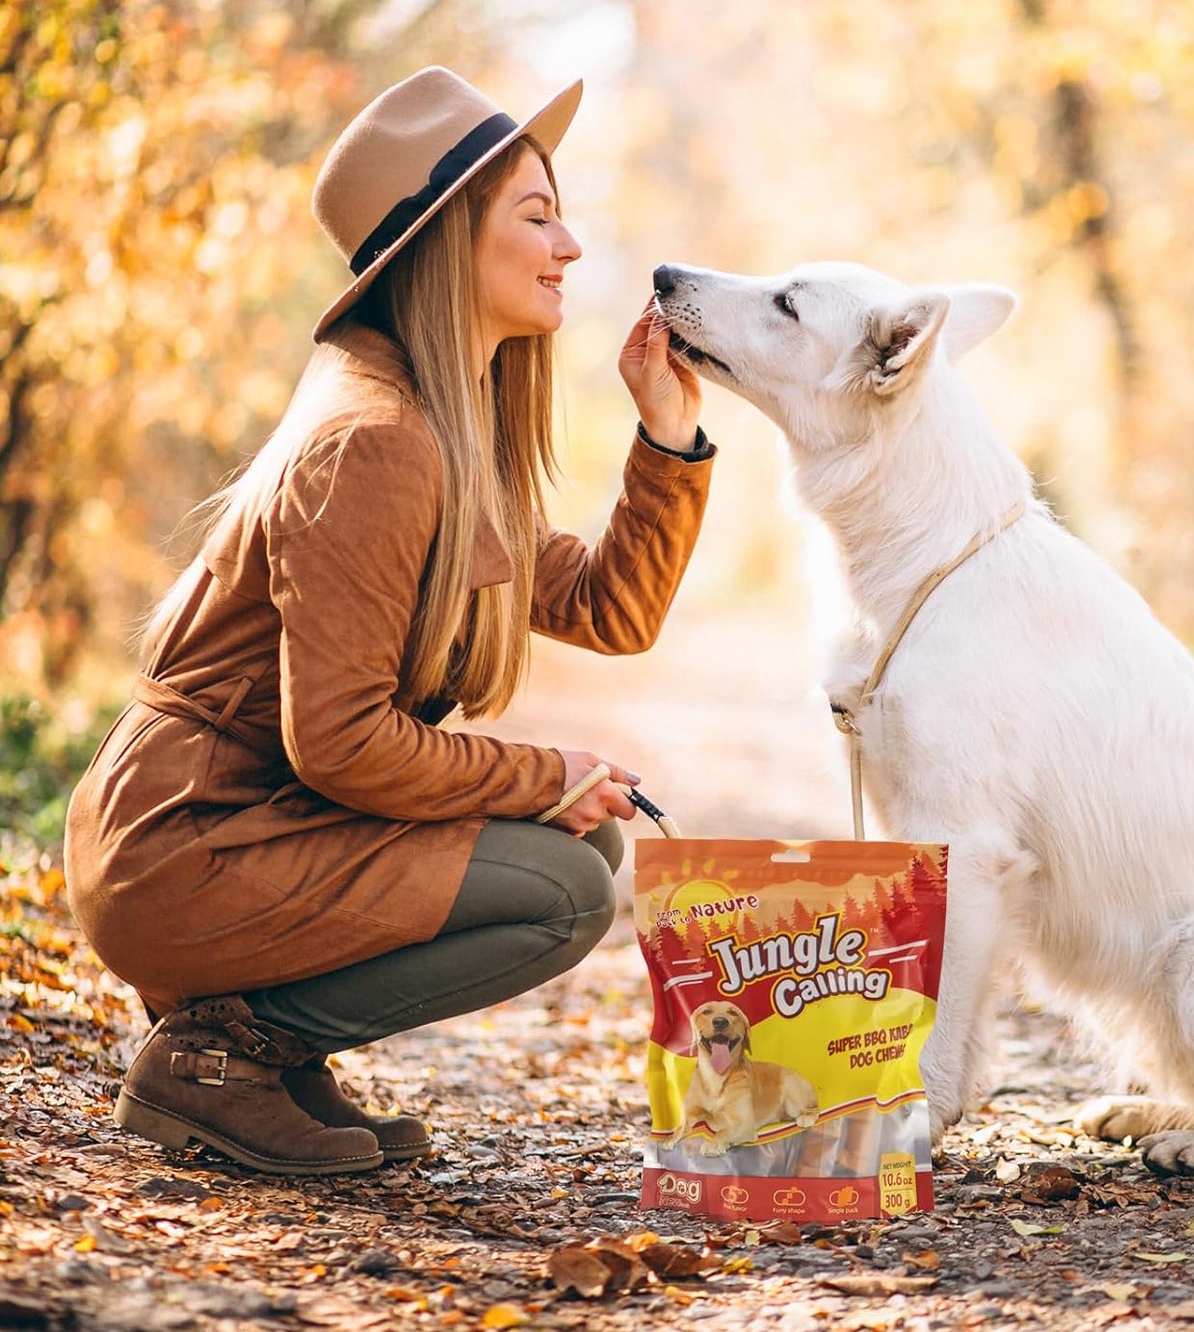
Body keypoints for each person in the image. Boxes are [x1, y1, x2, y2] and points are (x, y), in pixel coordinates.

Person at [62, 67, 713, 1176]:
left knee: (584, 844)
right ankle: (225, 1055)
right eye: (537, 214)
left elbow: (611, 608)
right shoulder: (375, 441)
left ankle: (267, 1051)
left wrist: (667, 434)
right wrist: (539, 769)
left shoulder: (441, 432)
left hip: (249, 824)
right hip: (189, 842)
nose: (570, 246)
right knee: (563, 888)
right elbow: (343, 741)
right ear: (447, 241)